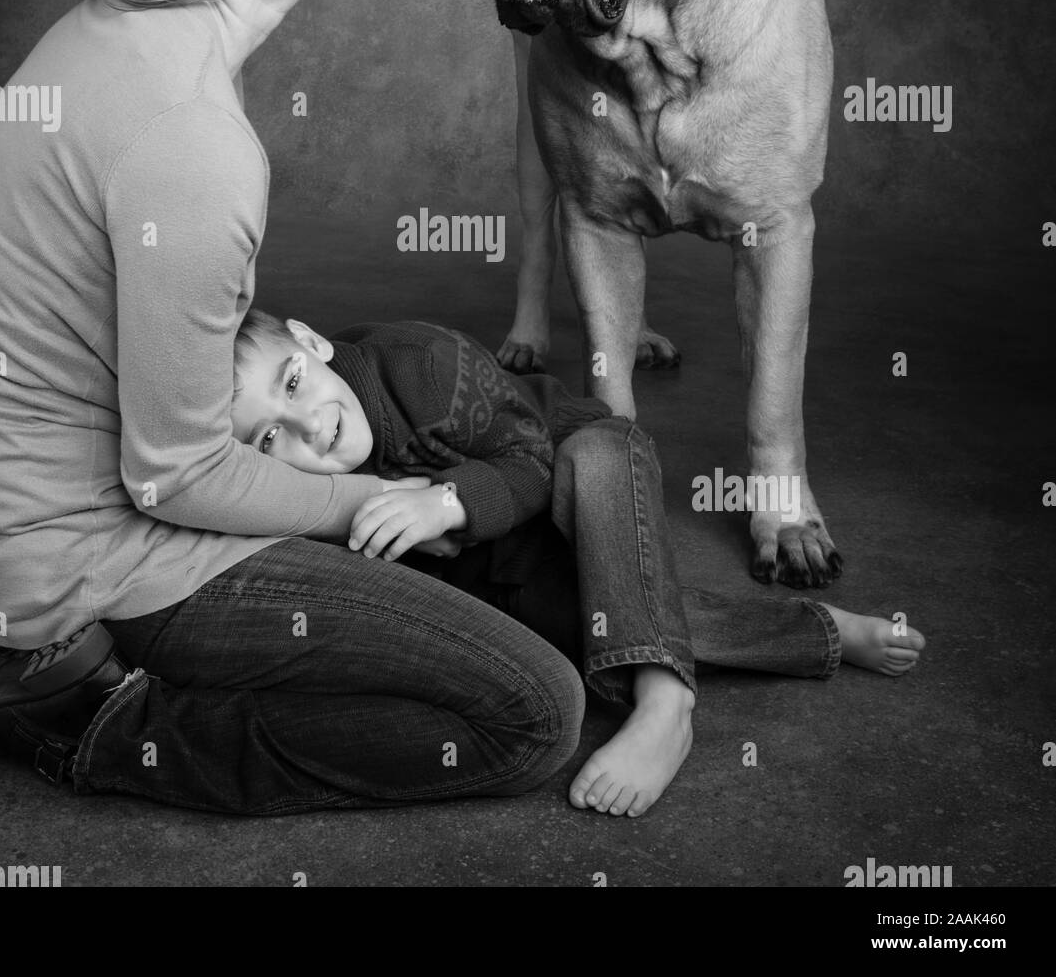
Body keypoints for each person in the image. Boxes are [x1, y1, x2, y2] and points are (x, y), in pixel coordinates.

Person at [0, 0, 587, 815]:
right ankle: (97, 720)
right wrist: (387, 500)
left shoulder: (121, 34)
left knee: (440, 473)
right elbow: (173, 478)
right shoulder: (190, 139)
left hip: (24, 520)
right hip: (82, 571)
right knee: (530, 712)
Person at [227, 310, 927, 818]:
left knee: (593, 463)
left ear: (311, 342)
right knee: (586, 625)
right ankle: (814, 632)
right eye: (267, 439)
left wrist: (445, 501)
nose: (307, 426)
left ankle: (664, 701)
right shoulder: (294, 489)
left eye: (293, 385)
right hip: (498, 552)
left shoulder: (420, 367)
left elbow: (527, 461)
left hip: (574, 471)